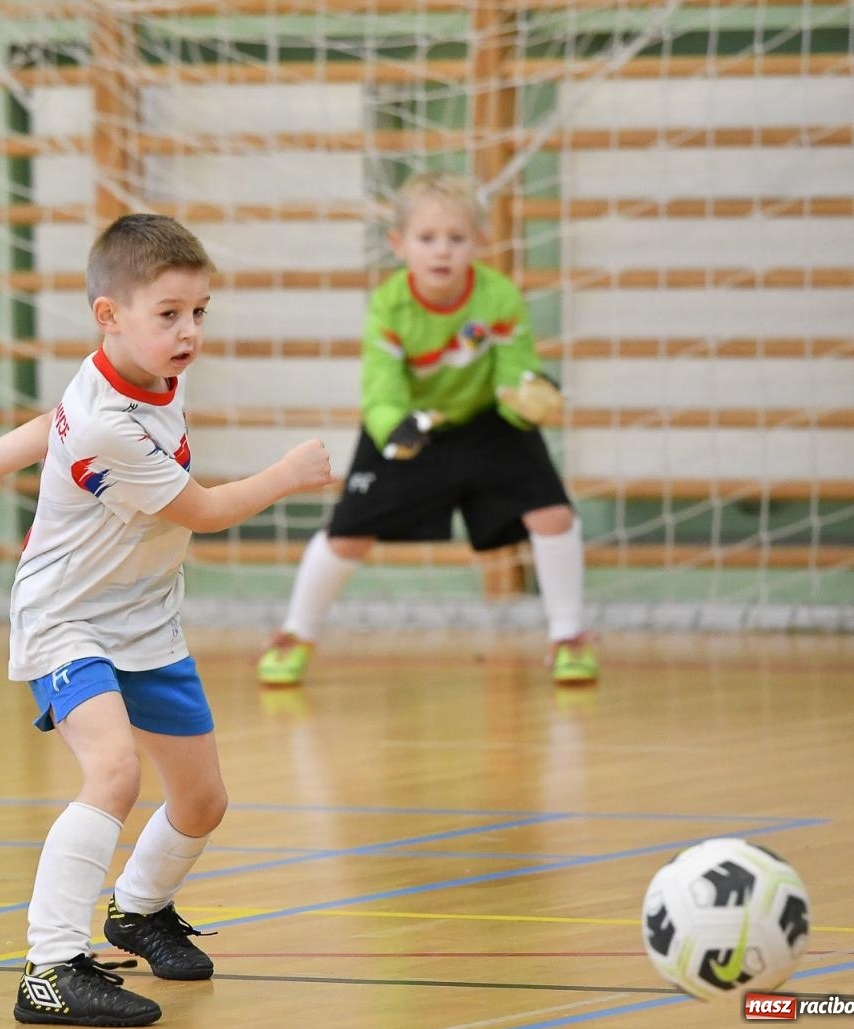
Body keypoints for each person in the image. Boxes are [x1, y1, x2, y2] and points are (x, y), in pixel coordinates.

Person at [0, 214, 334, 1027]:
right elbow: (211, 510)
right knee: (114, 772)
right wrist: (289, 473)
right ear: (108, 315)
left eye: (200, 312)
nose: (189, 331)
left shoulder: (130, 374)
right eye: (170, 314)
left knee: (201, 800)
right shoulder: (106, 426)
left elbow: (40, 427)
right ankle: (49, 967)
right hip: (66, 618)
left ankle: (138, 910)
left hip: (144, 618)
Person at [256, 171, 599, 687]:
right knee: (348, 534)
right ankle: (295, 635)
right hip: (407, 426)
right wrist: (395, 427)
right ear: (399, 245)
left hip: (487, 422)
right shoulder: (390, 305)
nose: (443, 251)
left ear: (479, 243)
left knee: (553, 514)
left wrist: (525, 400)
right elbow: (381, 383)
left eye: (457, 238)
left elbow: (513, 368)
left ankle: (568, 637)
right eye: (427, 238)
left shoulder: (500, 297)